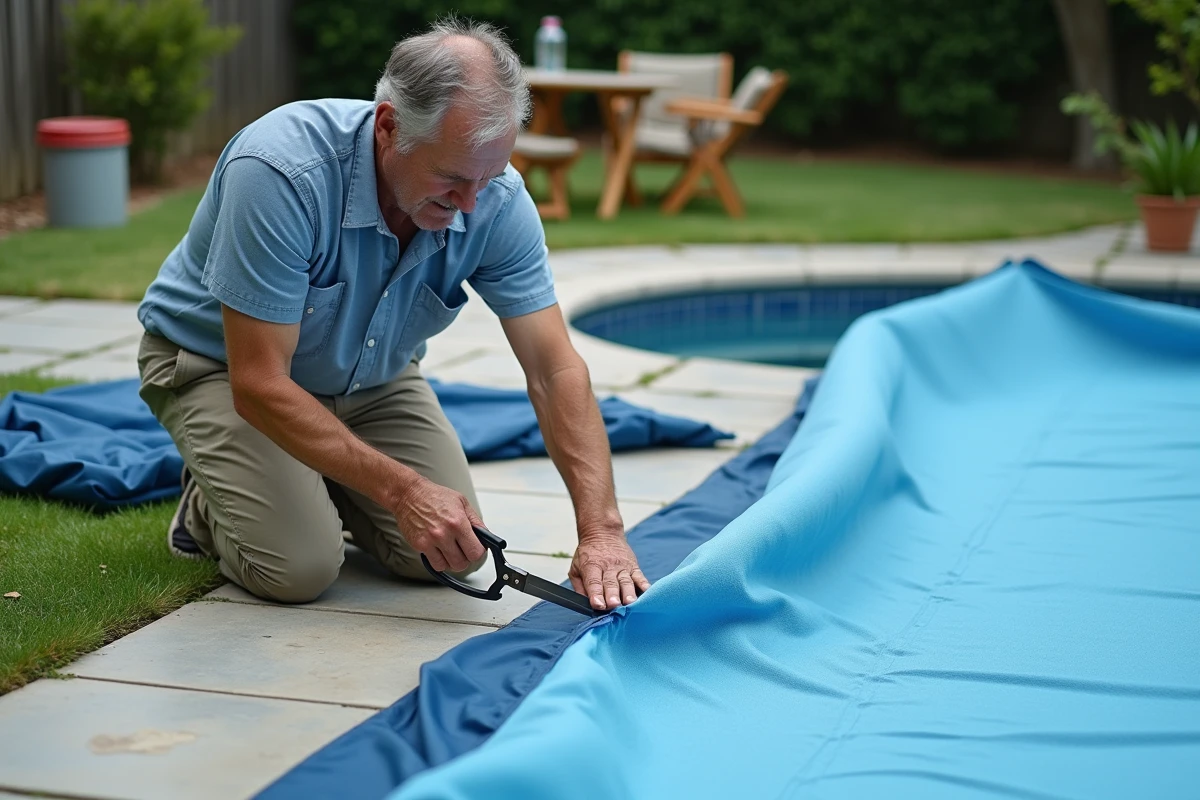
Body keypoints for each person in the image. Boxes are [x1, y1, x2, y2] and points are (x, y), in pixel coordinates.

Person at [135, 17, 649, 612]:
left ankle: (318, 482)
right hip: (221, 369)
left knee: (453, 555)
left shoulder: (493, 197)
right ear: (388, 127)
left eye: (489, 176)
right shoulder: (279, 172)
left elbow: (554, 369)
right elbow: (258, 383)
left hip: (370, 378)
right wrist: (403, 491)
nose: (471, 206)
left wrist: (602, 531)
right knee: (299, 568)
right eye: (452, 179)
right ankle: (207, 505)